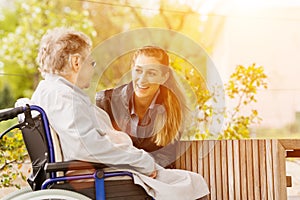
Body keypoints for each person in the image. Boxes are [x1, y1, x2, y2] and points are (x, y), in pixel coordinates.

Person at [31, 27, 209, 200]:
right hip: (101, 175)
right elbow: (89, 148)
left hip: (102, 170)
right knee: (193, 182)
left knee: (184, 181)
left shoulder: (49, 91)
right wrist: (142, 162)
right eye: (91, 63)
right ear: (76, 62)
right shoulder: (65, 97)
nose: (93, 69)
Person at [96, 46, 188, 168]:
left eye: (151, 73)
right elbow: (98, 150)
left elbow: (165, 158)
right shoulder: (105, 102)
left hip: (153, 173)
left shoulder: (173, 109)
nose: (142, 79)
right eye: (138, 71)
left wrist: (145, 168)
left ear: (163, 77)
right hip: (115, 176)